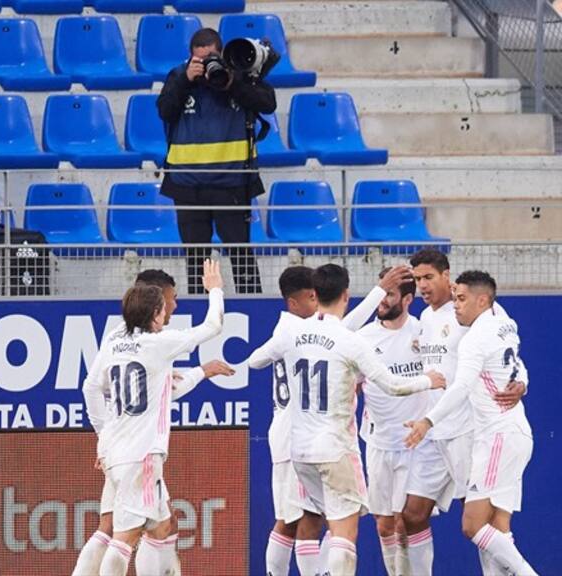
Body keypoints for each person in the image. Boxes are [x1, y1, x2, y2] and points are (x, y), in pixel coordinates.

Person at [254, 263, 444, 576]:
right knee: (344, 529)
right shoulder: (350, 340)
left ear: (315, 294)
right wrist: (429, 380)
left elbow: (256, 359)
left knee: (308, 520)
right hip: (335, 447)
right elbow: (393, 385)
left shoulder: (292, 333)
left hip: (299, 448)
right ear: (346, 294)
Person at [73, 269, 233, 576]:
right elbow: (213, 325)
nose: (173, 306)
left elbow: (93, 388)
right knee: (124, 536)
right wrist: (214, 289)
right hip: (141, 455)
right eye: (170, 301)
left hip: (115, 453)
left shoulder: (116, 339)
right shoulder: (159, 344)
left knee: (163, 526)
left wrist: (103, 439)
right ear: (155, 309)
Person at [402, 249, 527, 575]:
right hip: (432, 435)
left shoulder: (479, 313)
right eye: (417, 279)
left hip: (466, 430)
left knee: (478, 520)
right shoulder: (426, 319)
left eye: (428, 277)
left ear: (447, 275)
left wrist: (522, 382)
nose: (423, 286)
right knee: (413, 514)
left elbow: (509, 354)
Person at [157, 27, 276, 295]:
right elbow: (165, 110)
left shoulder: (239, 74)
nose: (207, 64)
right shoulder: (178, 76)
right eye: (199, 60)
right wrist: (186, 80)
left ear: (222, 53)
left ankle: (251, 308)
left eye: (211, 57)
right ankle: (202, 313)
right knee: (197, 259)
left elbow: (267, 104)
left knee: (241, 255)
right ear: (190, 58)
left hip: (232, 183)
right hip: (187, 186)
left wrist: (232, 82)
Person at [356, 267, 427, 576]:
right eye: (381, 292)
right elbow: (350, 386)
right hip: (378, 443)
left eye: (390, 295)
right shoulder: (363, 338)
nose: (382, 301)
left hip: (414, 445)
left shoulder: (423, 333)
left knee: (406, 521)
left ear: (408, 299)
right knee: (384, 524)